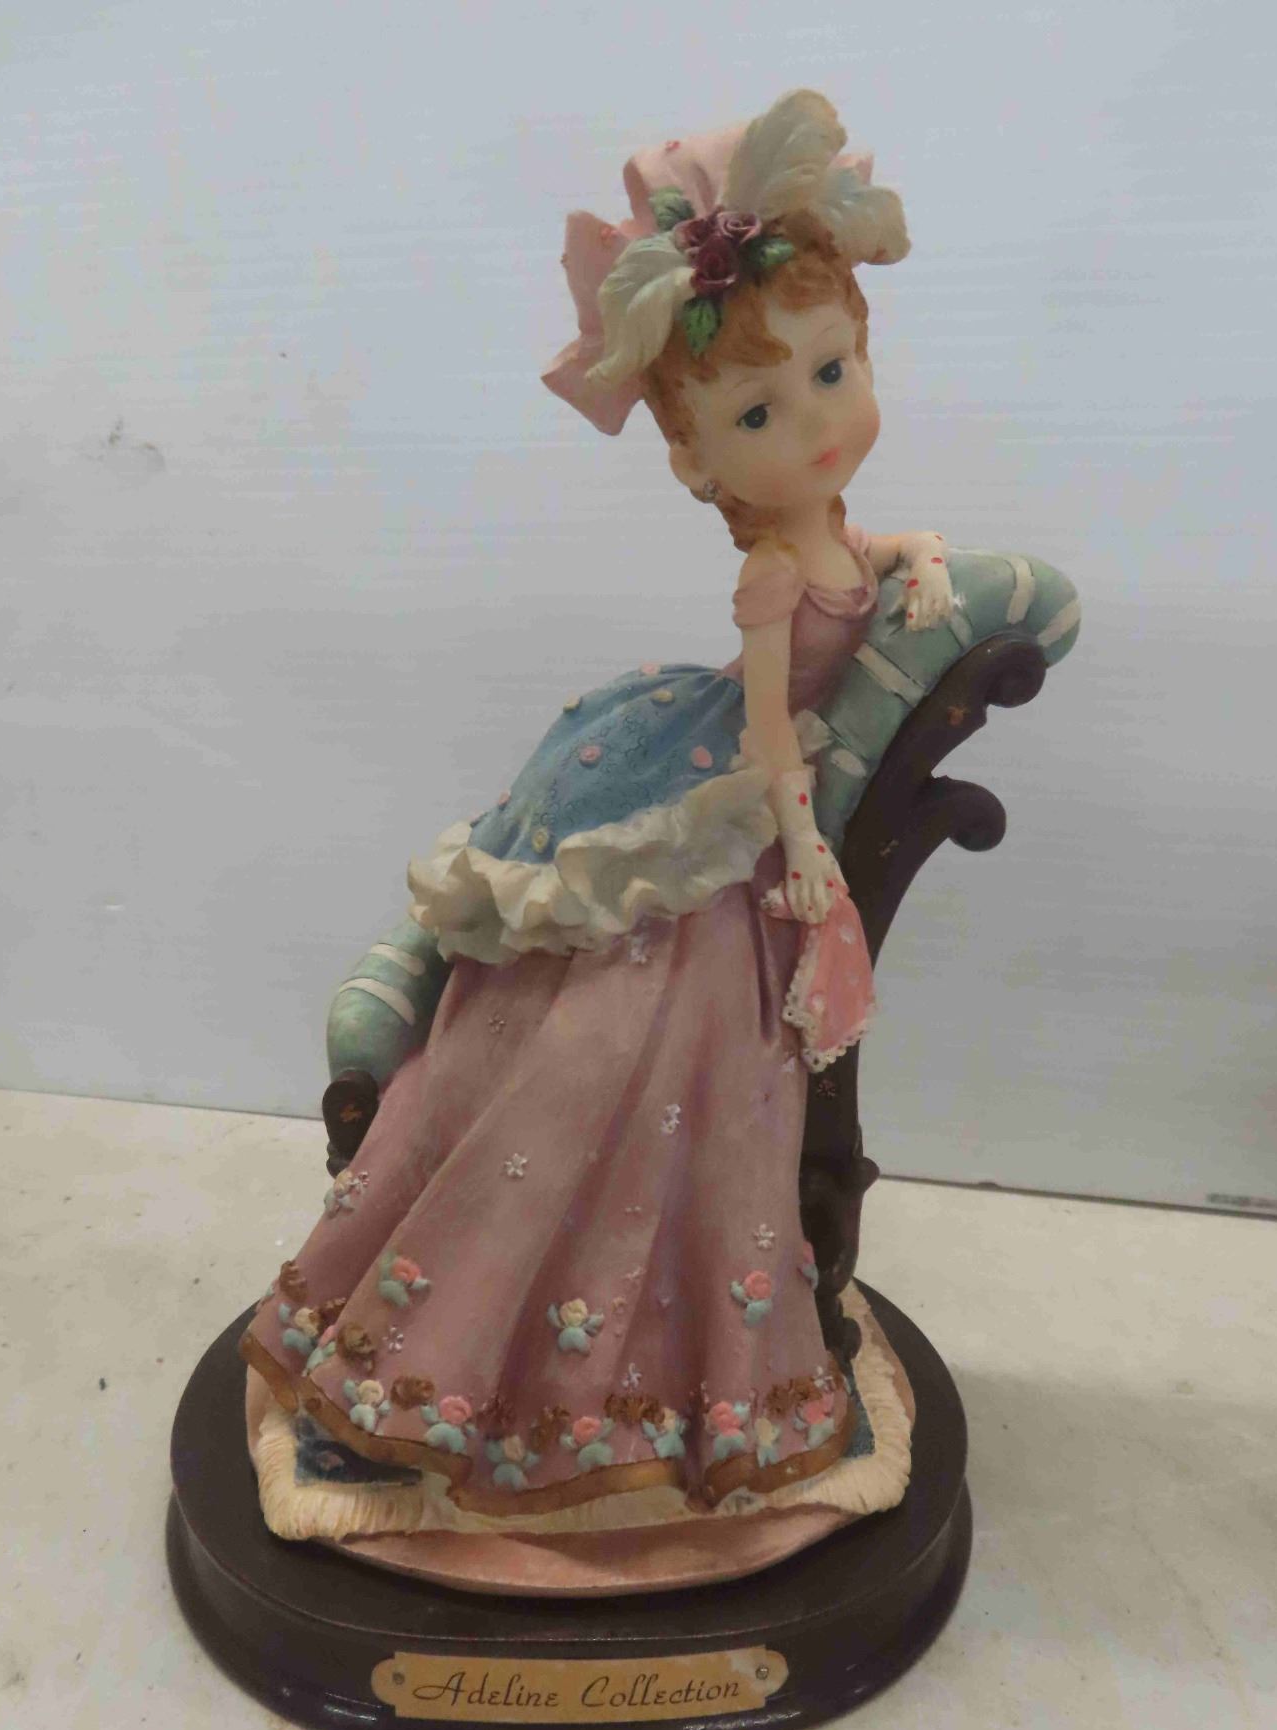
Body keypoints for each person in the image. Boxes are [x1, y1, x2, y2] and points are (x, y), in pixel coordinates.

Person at [240, 89, 952, 1550]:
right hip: (720, 780)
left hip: (736, 772)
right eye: (758, 413)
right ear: (695, 460)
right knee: (604, 1026)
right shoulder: (767, 575)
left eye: (833, 372)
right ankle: (428, 1361)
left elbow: (870, 548)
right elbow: (773, 731)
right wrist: (798, 846)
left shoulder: (820, 531)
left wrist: (922, 552)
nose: (816, 424)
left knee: (682, 1055)